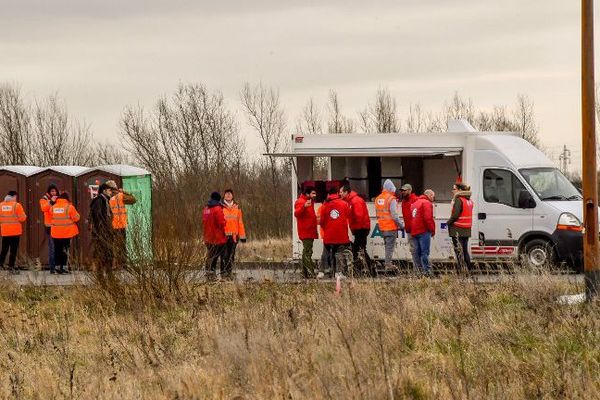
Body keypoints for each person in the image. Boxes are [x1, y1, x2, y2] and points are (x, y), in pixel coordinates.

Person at [339, 184, 373, 276]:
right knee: (359, 250)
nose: (340, 194)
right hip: (359, 228)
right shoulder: (351, 201)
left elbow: (359, 216)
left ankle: (367, 269)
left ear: (346, 192)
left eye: (341, 192)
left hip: (361, 228)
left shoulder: (355, 201)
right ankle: (365, 269)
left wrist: (354, 227)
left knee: (359, 250)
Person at [319, 187, 353, 277]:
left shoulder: (325, 205)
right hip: (341, 234)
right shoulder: (344, 204)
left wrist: (327, 228)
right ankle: (338, 273)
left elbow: (321, 222)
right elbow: (349, 215)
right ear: (337, 193)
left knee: (326, 252)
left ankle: (321, 272)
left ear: (329, 194)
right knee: (339, 252)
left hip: (329, 234)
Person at [106, 180, 137, 268]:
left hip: (111, 225)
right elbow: (133, 199)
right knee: (121, 245)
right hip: (121, 225)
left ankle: (113, 264)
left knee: (112, 245)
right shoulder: (120, 196)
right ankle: (121, 264)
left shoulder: (106, 197)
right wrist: (124, 191)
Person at [375, 179, 403, 268]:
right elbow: (394, 215)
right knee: (389, 247)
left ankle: (388, 263)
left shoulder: (378, 198)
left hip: (382, 227)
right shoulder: (391, 199)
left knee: (387, 246)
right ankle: (388, 264)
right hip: (390, 227)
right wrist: (401, 225)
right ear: (391, 188)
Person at [50, 192, 80, 274]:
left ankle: (57, 267)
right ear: (67, 199)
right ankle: (64, 268)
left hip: (55, 232)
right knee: (65, 250)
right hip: (67, 232)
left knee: (57, 249)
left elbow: (51, 217)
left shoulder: (53, 207)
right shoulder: (70, 207)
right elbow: (77, 218)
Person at [447, 182, 474, 272]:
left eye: (454, 189)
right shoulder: (469, 201)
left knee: (459, 251)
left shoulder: (459, 200)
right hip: (466, 229)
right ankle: (469, 269)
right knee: (465, 251)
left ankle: (461, 271)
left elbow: (455, 215)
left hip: (457, 229)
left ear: (460, 190)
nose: (452, 191)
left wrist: (448, 222)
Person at [89, 183, 114, 279]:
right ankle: (100, 276)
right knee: (101, 254)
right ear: (104, 191)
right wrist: (102, 231)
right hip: (101, 233)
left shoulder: (105, 200)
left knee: (108, 253)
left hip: (106, 232)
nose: (111, 192)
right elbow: (98, 217)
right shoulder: (99, 200)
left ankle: (108, 274)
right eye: (109, 190)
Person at [221, 189, 246, 279]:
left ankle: (229, 272)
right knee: (224, 255)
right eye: (226, 194)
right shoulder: (221, 207)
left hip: (234, 236)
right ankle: (223, 272)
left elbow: (240, 222)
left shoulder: (237, 208)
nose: (228, 195)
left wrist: (242, 236)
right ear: (224, 196)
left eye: (230, 194)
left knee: (231, 255)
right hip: (223, 236)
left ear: (232, 196)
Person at [294, 186, 318, 278]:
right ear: (307, 194)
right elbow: (296, 213)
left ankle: (304, 273)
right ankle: (310, 272)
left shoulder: (309, 202)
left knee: (306, 252)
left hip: (310, 230)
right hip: (306, 231)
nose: (315, 195)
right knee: (308, 252)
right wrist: (304, 206)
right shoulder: (301, 202)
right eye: (313, 193)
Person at [411, 189, 436, 276]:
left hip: (414, 231)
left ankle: (418, 272)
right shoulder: (426, 203)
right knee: (425, 252)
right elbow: (428, 218)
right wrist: (432, 230)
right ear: (428, 195)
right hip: (423, 231)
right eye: (433, 196)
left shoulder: (415, 203)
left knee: (417, 253)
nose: (433, 198)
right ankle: (427, 272)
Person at [0, 191, 26, 274]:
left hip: (5, 231)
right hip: (15, 232)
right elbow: (22, 218)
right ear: (14, 196)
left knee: (4, 249)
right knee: (13, 250)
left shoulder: (1, 205)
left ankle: (0, 264)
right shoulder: (17, 205)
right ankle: (11, 268)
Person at [203, 192, 227, 280]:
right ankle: (218, 274)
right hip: (217, 237)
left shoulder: (206, 208)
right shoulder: (218, 209)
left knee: (210, 255)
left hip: (208, 237)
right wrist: (225, 222)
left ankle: (209, 272)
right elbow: (221, 223)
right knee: (221, 255)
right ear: (218, 199)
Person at [399, 183, 420, 269]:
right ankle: (417, 269)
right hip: (409, 229)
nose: (403, 192)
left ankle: (419, 269)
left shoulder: (415, 200)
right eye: (402, 190)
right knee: (413, 250)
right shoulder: (404, 201)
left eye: (405, 190)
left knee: (416, 249)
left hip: (416, 229)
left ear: (410, 190)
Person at [40, 184, 59, 272]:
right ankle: (52, 267)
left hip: (59, 226)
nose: (54, 193)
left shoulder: (59, 200)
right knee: (52, 247)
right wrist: (51, 201)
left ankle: (60, 266)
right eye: (52, 191)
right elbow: (44, 209)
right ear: (49, 192)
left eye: (55, 191)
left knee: (59, 247)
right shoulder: (44, 200)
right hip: (49, 226)